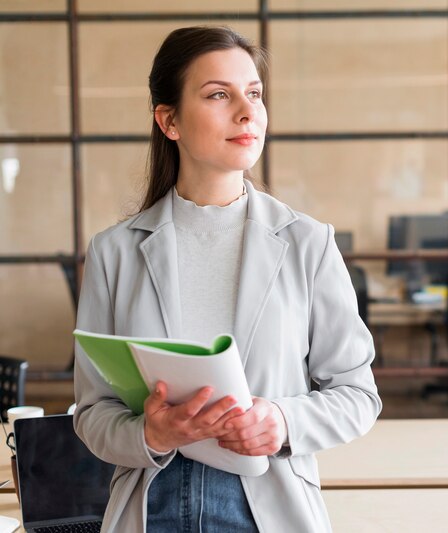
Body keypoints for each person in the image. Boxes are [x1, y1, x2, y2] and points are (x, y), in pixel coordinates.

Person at [73, 26, 382, 533]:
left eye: (254, 94)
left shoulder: (308, 244)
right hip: (153, 505)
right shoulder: (115, 252)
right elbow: (91, 415)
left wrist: (280, 421)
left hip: (267, 505)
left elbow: (357, 394)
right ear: (168, 120)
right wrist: (150, 432)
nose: (247, 112)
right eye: (219, 94)